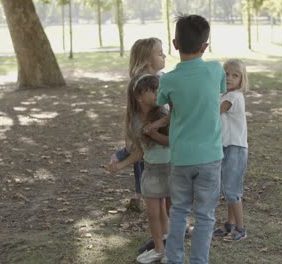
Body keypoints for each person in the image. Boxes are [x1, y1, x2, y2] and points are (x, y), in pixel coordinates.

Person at [156, 14, 226, 264]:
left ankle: (174, 259)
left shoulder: (168, 79)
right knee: (206, 215)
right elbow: (218, 92)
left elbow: (163, 102)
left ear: (175, 44)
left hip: (181, 157)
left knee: (178, 211)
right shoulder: (216, 69)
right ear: (205, 46)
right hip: (210, 157)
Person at [107, 74, 170, 264]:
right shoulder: (134, 120)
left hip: (170, 168)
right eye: (152, 90)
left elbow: (171, 142)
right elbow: (139, 152)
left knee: (168, 210)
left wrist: (153, 132)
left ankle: (168, 247)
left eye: (158, 89)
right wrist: (119, 165)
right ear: (139, 96)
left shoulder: (163, 115)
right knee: (153, 212)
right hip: (150, 169)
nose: (156, 94)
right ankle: (159, 249)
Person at [109, 37, 166, 212]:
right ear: (147, 60)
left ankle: (168, 225)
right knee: (149, 164)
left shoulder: (160, 77)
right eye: (159, 52)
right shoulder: (143, 82)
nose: (164, 55)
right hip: (151, 130)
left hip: (159, 130)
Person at [213, 59, 249, 242]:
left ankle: (241, 228)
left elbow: (213, 112)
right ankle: (229, 224)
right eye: (226, 73)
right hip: (225, 146)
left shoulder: (233, 97)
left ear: (241, 79)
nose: (229, 78)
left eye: (235, 75)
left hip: (235, 148)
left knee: (232, 188)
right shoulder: (223, 94)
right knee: (227, 187)